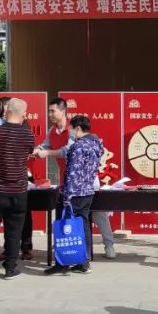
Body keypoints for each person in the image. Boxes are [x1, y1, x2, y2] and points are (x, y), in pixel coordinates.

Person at [34, 97, 115, 259]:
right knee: (69, 215)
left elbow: (68, 151)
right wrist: (36, 150)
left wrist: (47, 153)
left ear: (63, 112)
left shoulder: (73, 129)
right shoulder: (52, 130)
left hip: (85, 180)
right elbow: (45, 145)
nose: (50, 114)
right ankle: (68, 247)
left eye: (53, 111)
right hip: (68, 180)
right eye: (49, 111)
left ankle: (108, 244)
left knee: (97, 214)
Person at [0, 97, 34, 281]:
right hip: (19, 190)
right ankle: (10, 269)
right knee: (14, 233)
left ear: (6, 110)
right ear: (23, 114)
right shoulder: (28, 135)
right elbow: (26, 156)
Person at [45, 115, 104, 275]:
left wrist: (67, 196)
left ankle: (63, 263)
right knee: (83, 226)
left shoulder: (78, 147)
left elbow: (73, 172)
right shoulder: (96, 144)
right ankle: (83, 262)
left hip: (75, 193)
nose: (70, 131)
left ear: (78, 128)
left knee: (66, 226)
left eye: (71, 128)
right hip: (88, 191)